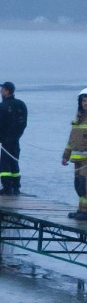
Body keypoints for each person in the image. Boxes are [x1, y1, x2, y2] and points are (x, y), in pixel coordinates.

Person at [0, 81, 28, 195]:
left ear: (7, 91)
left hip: (2, 141)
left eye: (2, 89)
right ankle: (16, 187)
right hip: (15, 139)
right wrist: (16, 136)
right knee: (14, 162)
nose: (0, 91)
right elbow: (23, 123)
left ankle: (7, 187)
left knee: (4, 165)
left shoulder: (1, 107)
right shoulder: (21, 104)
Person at [61, 88, 87, 220]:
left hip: (86, 161)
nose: (86, 103)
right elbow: (71, 139)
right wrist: (66, 155)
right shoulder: (78, 118)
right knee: (78, 185)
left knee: (84, 184)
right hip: (77, 159)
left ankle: (86, 211)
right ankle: (81, 209)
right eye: (83, 100)